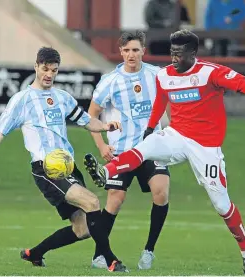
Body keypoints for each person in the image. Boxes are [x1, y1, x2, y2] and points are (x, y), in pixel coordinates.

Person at [83, 29, 245, 274]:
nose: (174, 58)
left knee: (221, 204)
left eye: (179, 54)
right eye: (172, 53)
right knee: (144, 147)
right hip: (177, 135)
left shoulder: (210, 72)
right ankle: (106, 171)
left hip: (206, 146)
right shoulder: (165, 75)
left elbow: (238, 82)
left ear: (193, 53)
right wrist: (151, 127)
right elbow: (161, 101)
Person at [0, 47, 128, 272]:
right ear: (36, 66)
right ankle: (110, 260)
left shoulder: (62, 97)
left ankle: (35, 253)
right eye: (45, 69)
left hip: (68, 166)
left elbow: (86, 121)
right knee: (93, 202)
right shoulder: (22, 100)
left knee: (82, 229)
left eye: (54, 70)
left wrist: (105, 126)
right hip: (46, 168)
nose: (49, 74)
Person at [87, 31, 170, 270]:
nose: (131, 54)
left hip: (151, 148)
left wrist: (173, 134)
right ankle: (99, 255)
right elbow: (90, 116)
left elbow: (173, 103)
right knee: (115, 199)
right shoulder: (110, 81)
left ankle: (149, 251)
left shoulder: (157, 75)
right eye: (126, 50)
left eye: (136, 49)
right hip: (122, 151)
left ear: (143, 50)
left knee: (161, 191)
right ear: (121, 52)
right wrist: (102, 145)